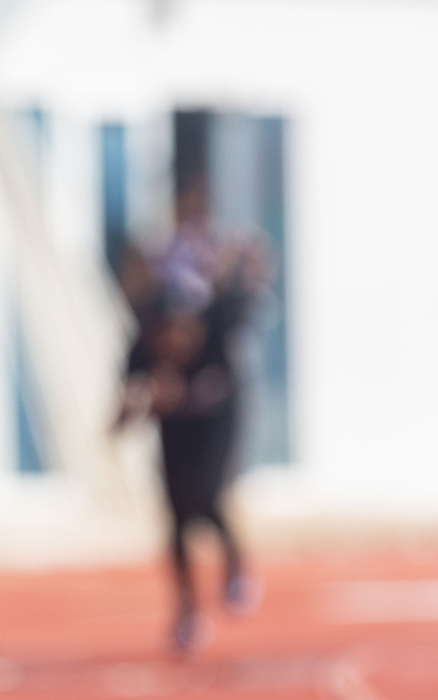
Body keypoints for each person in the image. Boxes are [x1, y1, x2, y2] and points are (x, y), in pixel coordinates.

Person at [113, 177, 266, 654]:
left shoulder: (216, 327)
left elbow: (226, 379)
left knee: (207, 496)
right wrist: (127, 413)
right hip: (174, 425)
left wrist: (181, 395)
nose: (173, 341)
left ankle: (236, 564)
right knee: (178, 516)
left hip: (217, 419)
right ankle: (186, 613)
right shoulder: (144, 334)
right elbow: (129, 390)